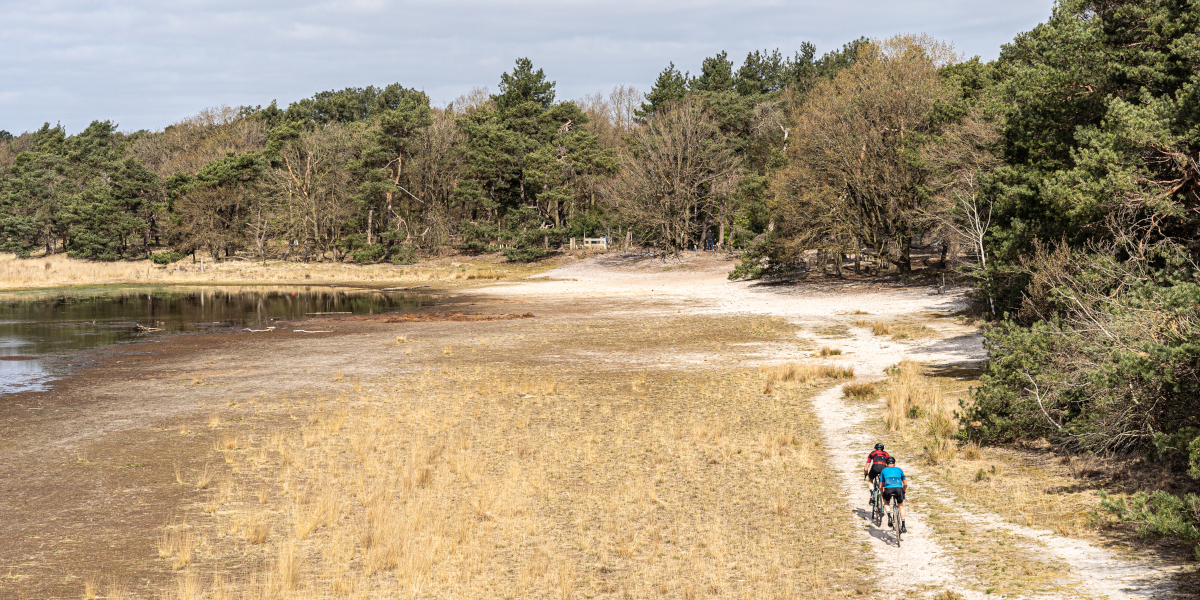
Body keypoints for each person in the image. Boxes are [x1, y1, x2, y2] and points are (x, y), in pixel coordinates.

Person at [879, 456, 907, 533]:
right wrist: (904, 490)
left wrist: (882, 492)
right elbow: (905, 483)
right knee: (901, 506)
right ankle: (903, 526)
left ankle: (889, 517)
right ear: (894, 463)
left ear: (886, 464)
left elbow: (880, 486)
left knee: (886, 502)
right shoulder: (899, 469)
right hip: (898, 489)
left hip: (888, 489)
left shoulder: (883, 470)